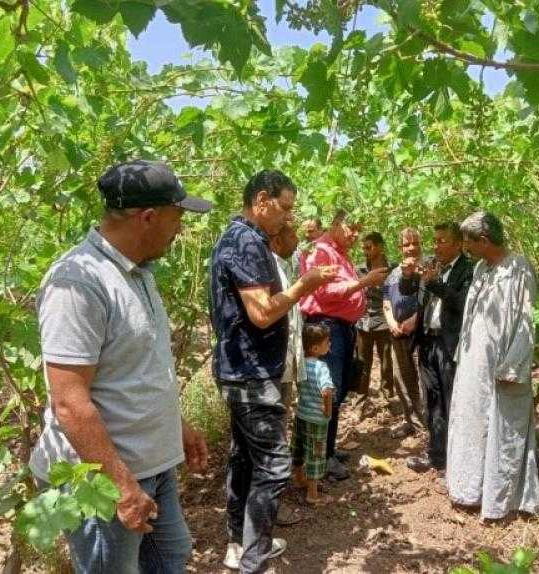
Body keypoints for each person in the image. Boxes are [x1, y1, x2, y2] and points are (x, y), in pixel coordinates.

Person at [29, 159, 211, 573]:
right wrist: (122, 486)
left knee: (171, 558)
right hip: (104, 480)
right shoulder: (78, 282)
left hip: (151, 466)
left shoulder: (139, 272)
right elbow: (70, 404)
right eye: (177, 217)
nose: (180, 229)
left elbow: (139, 366)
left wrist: (175, 425)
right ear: (148, 217)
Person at [210, 170, 337, 573]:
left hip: (241, 371)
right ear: (261, 200)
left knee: (245, 459)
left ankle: (240, 542)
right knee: (274, 466)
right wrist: (306, 284)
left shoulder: (239, 238)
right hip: (251, 374)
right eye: (284, 208)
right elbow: (262, 313)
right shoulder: (246, 240)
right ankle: (254, 560)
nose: (287, 218)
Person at [446, 212, 539, 521]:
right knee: (472, 419)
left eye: (469, 243)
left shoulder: (518, 269)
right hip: (475, 361)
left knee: (501, 426)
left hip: (502, 365)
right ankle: (469, 489)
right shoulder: (480, 268)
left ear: (484, 240)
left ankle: (499, 498)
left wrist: (513, 365)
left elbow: (526, 321)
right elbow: (472, 316)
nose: (466, 248)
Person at [300, 209, 388, 480]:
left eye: (359, 230)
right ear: (337, 223)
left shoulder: (339, 253)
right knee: (327, 391)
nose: (355, 234)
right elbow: (322, 292)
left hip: (341, 329)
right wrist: (364, 282)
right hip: (328, 327)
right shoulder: (321, 252)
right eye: (351, 227)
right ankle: (320, 458)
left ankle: (328, 451)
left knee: (335, 392)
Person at [400, 222, 474, 477]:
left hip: (449, 343)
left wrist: (435, 285)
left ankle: (456, 459)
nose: (436, 245)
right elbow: (407, 290)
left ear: (458, 244)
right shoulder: (432, 264)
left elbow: (463, 304)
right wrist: (409, 276)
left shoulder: (469, 269)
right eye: (435, 240)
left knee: (451, 399)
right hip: (427, 341)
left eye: (442, 240)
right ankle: (436, 455)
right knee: (432, 399)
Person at [269, 222, 307, 528]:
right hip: (273, 368)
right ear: (278, 238)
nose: (299, 240)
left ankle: (274, 499)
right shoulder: (270, 269)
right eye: (293, 234)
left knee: (279, 430)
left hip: (283, 367)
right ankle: (271, 505)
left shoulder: (283, 265)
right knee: (271, 436)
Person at [382, 227, 425, 439]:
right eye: (406, 244)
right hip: (396, 333)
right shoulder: (393, 273)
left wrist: (415, 319)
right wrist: (390, 321)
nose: (411, 248)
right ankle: (410, 421)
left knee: (422, 381)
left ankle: (427, 425)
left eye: (415, 243)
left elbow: (432, 301)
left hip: (419, 335)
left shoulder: (428, 268)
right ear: (400, 247)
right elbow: (386, 300)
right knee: (402, 379)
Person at [291, 324, 335, 505]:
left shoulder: (300, 364)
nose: (330, 345)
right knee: (316, 454)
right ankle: (313, 494)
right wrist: (327, 409)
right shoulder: (321, 367)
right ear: (315, 348)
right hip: (317, 420)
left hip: (301, 415)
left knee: (299, 448)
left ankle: (299, 478)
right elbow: (326, 391)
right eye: (327, 342)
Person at [354, 232, 395, 417]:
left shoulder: (392, 268)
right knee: (362, 363)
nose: (365, 251)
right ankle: (360, 400)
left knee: (386, 363)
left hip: (384, 321)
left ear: (380, 247)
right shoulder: (360, 269)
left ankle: (386, 400)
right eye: (364, 247)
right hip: (364, 322)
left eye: (369, 247)